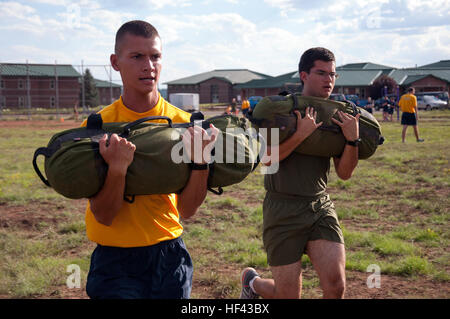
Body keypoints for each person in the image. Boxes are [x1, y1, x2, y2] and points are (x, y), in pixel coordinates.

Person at [82, 20, 218, 299]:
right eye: (136, 57)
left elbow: (188, 210)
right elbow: (104, 215)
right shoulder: (98, 127)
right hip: (115, 262)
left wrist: (201, 161)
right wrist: (117, 169)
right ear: (115, 62)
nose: (149, 65)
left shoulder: (185, 125)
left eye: (155, 56)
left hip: (170, 256)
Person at [240, 47, 360, 299]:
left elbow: (345, 173)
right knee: (288, 295)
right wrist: (301, 134)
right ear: (303, 75)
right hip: (282, 207)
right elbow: (267, 161)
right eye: (321, 73)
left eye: (333, 74)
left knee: (336, 286)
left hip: (319, 205)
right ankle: (253, 284)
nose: (329, 80)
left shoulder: (335, 115)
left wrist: (352, 141)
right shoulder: (279, 111)